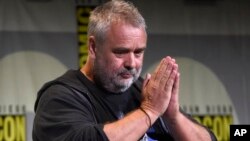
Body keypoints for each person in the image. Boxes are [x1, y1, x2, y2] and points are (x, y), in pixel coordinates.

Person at [32, 1, 217, 141]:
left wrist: (173, 117)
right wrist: (149, 112)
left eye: (138, 52)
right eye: (120, 52)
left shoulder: (146, 92)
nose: (132, 63)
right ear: (93, 47)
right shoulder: (60, 97)